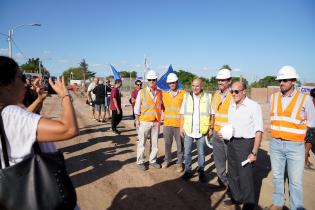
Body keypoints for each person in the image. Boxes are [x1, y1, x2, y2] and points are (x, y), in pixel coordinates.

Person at [0, 56, 79, 209]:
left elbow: (24, 119)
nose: (25, 83)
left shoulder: (9, 114)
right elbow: (69, 129)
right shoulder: (11, 114)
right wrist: (65, 95)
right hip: (42, 193)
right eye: (21, 77)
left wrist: (40, 99)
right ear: (6, 84)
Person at [265, 66, 315, 210]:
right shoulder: (273, 97)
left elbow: (311, 123)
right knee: (277, 176)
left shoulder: (305, 99)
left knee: (295, 182)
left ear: (294, 81)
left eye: (285, 80)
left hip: (295, 146)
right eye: (280, 80)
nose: (281, 83)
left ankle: (296, 207)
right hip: (275, 144)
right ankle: (278, 203)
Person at [221, 81, 263, 210]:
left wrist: (254, 152)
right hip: (232, 142)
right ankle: (236, 198)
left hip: (246, 144)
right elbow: (231, 125)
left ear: (244, 91)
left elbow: (259, 130)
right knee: (232, 173)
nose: (234, 94)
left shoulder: (253, 106)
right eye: (232, 91)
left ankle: (249, 204)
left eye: (237, 91)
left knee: (245, 175)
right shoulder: (232, 106)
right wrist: (224, 132)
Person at [180, 78, 213, 182]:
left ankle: (201, 171)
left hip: (201, 130)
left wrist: (211, 127)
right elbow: (182, 113)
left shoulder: (208, 97)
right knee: (187, 152)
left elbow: (212, 114)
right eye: (193, 86)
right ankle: (188, 171)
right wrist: (181, 127)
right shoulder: (186, 97)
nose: (195, 88)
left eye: (197, 86)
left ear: (202, 86)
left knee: (201, 153)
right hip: (188, 129)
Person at [134, 70, 162, 171]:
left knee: (155, 143)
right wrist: (137, 120)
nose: (151, 81)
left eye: (153, 80)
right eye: (149, 80)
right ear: (147, 81)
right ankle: (140, 161)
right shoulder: (142, 92)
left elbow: (161, 106)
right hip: (145, 121)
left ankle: (153, 160)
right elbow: (136, 108)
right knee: (142, 143)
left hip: (155, 122)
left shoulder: (159, 92)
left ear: (156, 80)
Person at [211, 68, 233, 188]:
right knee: (219, 161)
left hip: (229, 135)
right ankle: (222, 179)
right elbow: (213, 112)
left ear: (229, 81)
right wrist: (211, 127)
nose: (220, 82)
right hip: (216, 133)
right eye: (219, 80)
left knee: (231, 161)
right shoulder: (216, 95)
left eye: (223, 80)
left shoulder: (234, 95)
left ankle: (232, 184)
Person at [162, 73, 186, 172]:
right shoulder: (164, 95)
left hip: (179, 124)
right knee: (167, 144)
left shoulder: (184, 94)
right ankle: (167, 160)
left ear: (177, 82)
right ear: (168, 84)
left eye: (174, 82)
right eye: (170, 82)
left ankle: (179, 163)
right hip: (167, 124)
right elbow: (161, 107)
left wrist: (183, 126)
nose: (172, 84)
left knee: (180, 145)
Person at [304, 88, 315, 170]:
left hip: (308, 125)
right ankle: (304, 162)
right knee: (308, 145)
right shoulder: (312, 102)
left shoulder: (310, 101)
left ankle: (306, 161)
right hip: (311, 126)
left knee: (307, 145)